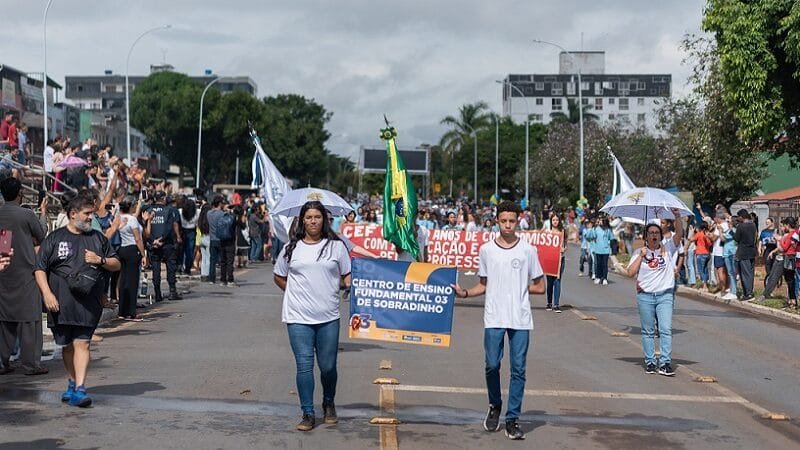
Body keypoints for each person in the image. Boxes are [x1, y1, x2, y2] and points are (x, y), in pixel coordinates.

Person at [453, 201, 545, 440]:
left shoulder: (528, 250)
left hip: (520, 319)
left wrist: (519, 287)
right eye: (503, 221)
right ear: (496, 222)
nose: (507, 225)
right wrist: (464, 293)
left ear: (518, 221)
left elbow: (540, 286)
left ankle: (512, 419)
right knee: (492, 364)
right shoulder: (487, 250)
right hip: (494, 316)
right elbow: (483, 285)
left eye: (512, 221)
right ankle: (495, 405)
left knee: (518, 369)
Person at [34, 194, 121, 407]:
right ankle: (72, 381)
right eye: (87, 213)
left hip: (88, 303)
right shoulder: (55, 238)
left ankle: (80, 388)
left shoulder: (98, 238)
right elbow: (40, 268)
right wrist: (47, 293)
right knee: (66, 346)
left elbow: (116, 264)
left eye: (92, 213)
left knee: (82, 343)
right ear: (73, 214)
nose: (91, 217)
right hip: (60, 303)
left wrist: (100, 259)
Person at [273, 201, 351, 431]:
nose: (313, 221)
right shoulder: (291, 248)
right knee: (304, 365)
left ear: (324, 220)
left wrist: (352, 286)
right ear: (302, 221)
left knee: (328, 367)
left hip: (328, 316)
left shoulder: (336, 247)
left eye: (317, 217)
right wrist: (295, 293)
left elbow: (347, 274)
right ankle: (308, 412)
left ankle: (328, 402)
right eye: (309, 217)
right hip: (298, 317)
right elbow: (279, 276)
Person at [626, 209, 683, 377]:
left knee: (665, 329)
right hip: (645, 296)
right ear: (646, 236)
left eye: (656, 233)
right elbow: (630, 273)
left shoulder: (668, 248)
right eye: (650, 233)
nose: (654, 235)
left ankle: (665, 363)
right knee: (648, 331)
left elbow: (679, 234)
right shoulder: (639, 252)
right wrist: (641, 256)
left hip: (665, 295)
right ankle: (650, 362)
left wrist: (677, 216)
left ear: (661, 235)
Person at [0, 177, 48, 376]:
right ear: (20, 193)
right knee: (30, 320)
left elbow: (5, 241)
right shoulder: (26, 214)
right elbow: (42, 234)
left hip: (4, 271)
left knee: (4, 320)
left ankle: (2, 362)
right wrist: (43, 212)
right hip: (26, 273)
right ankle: (30, 364)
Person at [142, 191, 182, 301]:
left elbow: (145, 228)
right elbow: (169, 227)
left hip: (153, 244)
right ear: (164, 198)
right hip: (167, 243)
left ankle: (158, 294)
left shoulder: (148, 210)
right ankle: (172, 291)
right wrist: (162, 239)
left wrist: (153, 240)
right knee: (170, 267)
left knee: (156, 269)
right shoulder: (169, 210)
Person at [116, 196, 146, 321]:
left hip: (122, 249)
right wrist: (143, 254)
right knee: (133, 282)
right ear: (131, 206)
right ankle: (132, 312)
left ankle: (122, 311)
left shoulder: (119, 218)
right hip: (133, 250)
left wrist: (139, 203)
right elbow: (137, 238)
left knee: (123, 281)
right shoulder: (132, 219)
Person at [733, 209, 757, 301]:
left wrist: (732, 231)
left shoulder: (741, 226)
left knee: (745, 274)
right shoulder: (753, 225)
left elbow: (736, 238)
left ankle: (748, 294)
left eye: (738, 217)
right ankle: (749, 291)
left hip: (743, 252)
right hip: (752, 251)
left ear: (742, 217)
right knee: (750, 273)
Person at [545, 213, 567, 312]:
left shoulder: (562, 232)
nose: (555, 222)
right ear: (551, 221)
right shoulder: (547, 232)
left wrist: (563, 249)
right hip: (549, 260)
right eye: (553, 220)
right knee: (550, 282)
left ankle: (556, 304)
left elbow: (565, 245)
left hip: (560, 259)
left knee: (557, 281)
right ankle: (549, 303)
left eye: (557, 220)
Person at [586, 217, 613, 285]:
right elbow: (591, 237)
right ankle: (598, 277)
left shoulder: (608, 230)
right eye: (599, 221)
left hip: (606, 250)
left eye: (601, 221)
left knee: (605, 265)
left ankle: (604, 278)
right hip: (598, 249)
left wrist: (610, 246)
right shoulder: (596, 229)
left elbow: (611, 238)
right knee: (598, 264)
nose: (600, 222)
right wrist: (592, 229)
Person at [179, 196, 199, 275]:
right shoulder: (197, 212)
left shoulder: (180, 211)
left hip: (182, 231)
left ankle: (180, 267)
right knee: (190, 252)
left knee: (181, 251)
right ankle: (187, 269)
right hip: (192, 231)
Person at [691, 221, 713, 290]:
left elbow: (691, 239)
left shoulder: (699, 234)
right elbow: (710, 244)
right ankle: (707, 283)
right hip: (707, 254)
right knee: (705, 269)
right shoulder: (707, 234)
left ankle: (705, 286)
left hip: (700, 254)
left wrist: (692, 232)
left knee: (701, 270)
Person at [758, 217, 778, 289]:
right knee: (768, 266)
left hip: (775, 250)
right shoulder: (763, 231)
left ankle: (775, 281)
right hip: (767, 250)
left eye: (768, 222)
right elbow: (760, 240)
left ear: (772, 223)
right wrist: (759, 248)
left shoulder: (776, 231)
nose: (767, 224)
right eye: (766, 222)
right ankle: (768, 282)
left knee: (774, 267)